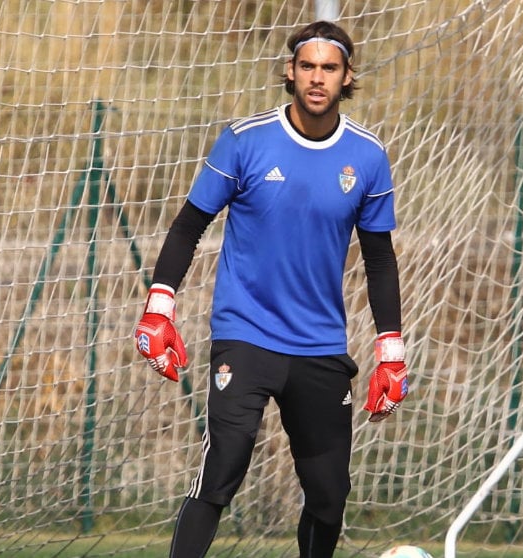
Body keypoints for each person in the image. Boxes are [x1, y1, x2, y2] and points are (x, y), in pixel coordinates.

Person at [134, 20, 409, 558]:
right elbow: (189, 225)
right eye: (307, 65)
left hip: (321, 346)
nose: (316, 77)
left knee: (330, 496)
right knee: (224, 467)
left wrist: (391, 351)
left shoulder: (368, 156)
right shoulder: (245, 140)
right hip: (246, 335)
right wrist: (158, 308)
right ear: (290, 71)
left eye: (329, 68)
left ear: (347, 76)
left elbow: (379, 258)